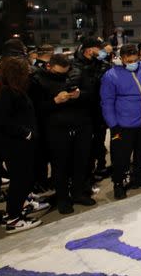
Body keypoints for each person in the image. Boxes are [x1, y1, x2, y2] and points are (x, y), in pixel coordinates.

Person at [0, 57, 43, 233]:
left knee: (21, 180)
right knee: (21, 180)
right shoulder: (6, 93)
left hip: (16, 143)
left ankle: (15, 212)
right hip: (16, 145)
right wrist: (27, 133)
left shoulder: (8, 90)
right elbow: (4, 122)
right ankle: (14, 218)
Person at [30, 54, 95, 214]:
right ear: (49, 67)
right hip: (56, 128)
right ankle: (62, 198)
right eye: (60, 73)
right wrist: (55, 102)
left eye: (67, 72)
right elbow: (35, 109)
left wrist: (80, 95)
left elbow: (91, 94)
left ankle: (78, 192)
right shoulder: (37, 80)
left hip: (81, 125)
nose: (64, 75)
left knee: (81, 161)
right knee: (60, 166)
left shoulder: (77, 73)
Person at [100, 44, 141, 200]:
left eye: (135, 60)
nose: (132, 63)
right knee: (121, 157)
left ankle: (139, 178)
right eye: (129, 61)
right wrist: (113, 125)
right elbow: (107, 102)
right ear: (122, 59)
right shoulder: (111, 75)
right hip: (123, 125)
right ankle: (118, 184)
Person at [70, 38, 110, 182]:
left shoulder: (102, 64)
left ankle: (101, 165)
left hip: (100, 108)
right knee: (86, 144)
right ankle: (87, 172)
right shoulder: (75, 66)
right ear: (89, 50)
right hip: (84, 111)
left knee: (100, 139)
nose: (102, 52)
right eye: (98, 49)